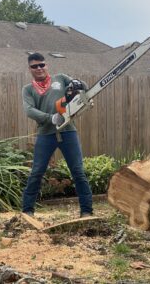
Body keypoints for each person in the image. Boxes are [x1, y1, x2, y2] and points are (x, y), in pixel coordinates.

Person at [22, 52, 93, 217]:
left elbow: (84, 87)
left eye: (42, 65)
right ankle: (27, 211)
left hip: (68, 131)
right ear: (30, 69)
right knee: (37, 172)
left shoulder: (60, 78)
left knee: (78, 171)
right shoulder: (28, 89)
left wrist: (79, 86)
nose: (39, 68)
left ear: (46, 65)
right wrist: (50, 117)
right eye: (35, 66)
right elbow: (29, 110)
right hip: (45, 134)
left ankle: (87, 211)